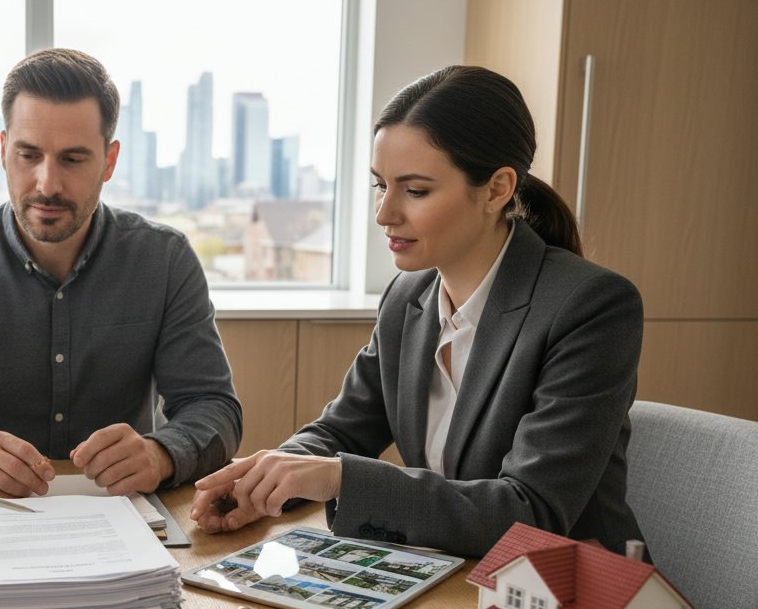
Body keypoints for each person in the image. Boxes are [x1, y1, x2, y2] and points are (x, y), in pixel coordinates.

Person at [190, 66, 647, 558]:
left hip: (562, 596)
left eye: (416, 190)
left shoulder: (590, 308)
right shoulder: (409, 294)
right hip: (448, 573)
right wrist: (270, 477)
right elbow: (344, 430)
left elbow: (530, 512)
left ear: (496, 189)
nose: (385, 214)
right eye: (380, 186)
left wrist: (340, 478)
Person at [0, 48, 241, 499]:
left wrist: (161, 454)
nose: (47, 184)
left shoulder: (165, 260)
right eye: (29, 155)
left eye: (72, 159)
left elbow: (214, 408)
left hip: (126, 521)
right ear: (3, 151)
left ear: (109, 161)